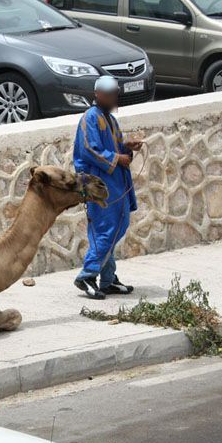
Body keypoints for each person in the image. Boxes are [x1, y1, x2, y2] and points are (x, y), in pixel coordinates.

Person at [73, 76, 143, 299]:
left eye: (116, 93)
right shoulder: (89, 119)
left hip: (116, 183)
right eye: (111, 94)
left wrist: (127, 146)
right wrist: (117, 158)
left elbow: (115, 144)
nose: (115, 98)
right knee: (105, 231)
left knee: (116, 228)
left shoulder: (110, 119)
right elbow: (89, 150)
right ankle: (87, 275)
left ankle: (108, 279)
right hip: (100, 186)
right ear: (99, 95)